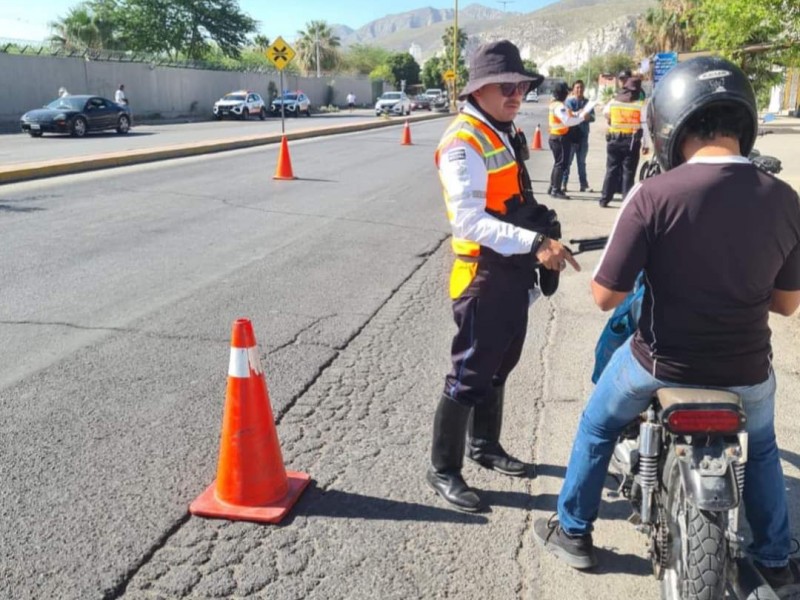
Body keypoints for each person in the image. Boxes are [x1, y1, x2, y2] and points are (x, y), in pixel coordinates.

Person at [534, 57, 800, 595]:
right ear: (743, 123)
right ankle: (775, 560)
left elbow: (607, 296)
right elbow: (787, 305)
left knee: (597, 426)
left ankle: (574, 532)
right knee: (764, 445)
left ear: (670, 125)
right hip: (747, 370)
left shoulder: (653, 196)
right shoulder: (787, 199)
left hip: (658, 364)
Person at [429, 40, 580, 512]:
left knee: (500, 367)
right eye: (505, 86)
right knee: (469, 374)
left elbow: (514, 200)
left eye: (522, 85)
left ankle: (484, 447)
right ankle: (443, 469)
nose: (516, 93)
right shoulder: (464, 141)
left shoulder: (501, 129)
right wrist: (537, 244)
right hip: (483, 277)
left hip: (511, 271)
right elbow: (469, 221)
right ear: (479, 89)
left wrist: (543, 233)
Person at [597, 77, 649, 208]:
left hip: (614, 140)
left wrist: (612, 120)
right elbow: (645, 126)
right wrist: (646, 144)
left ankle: (604, 199)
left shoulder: (614, 101)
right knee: (628, 172)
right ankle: (626, 201)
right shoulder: (640, 105)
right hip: (630, 142)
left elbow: (605, 112)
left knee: (611, 170)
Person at [547, 82, 592, 199]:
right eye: (566, 91)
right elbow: (568, 121)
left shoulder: (557, 105)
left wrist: (578, 113)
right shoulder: (559, 106)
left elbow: (570, 115)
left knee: (558, 163)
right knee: (561, 164)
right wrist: (582, 118)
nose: (568, 93)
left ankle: (552, 187)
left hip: (556, 137)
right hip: (560, 138)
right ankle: (556, 190)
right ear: (562, 93)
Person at [562, 80, 594, 193]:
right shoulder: (568, 102)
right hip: (570, 137)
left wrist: (588, 117)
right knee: (567, 161)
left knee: (581, 162)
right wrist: (579, 114)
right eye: (577, 87)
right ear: (573, 89)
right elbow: (568, 115)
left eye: (581, 87)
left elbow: (593, 117)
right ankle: (563, 184)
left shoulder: (588, 103)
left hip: (583, 137)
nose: (579, 90)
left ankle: (583, 184)